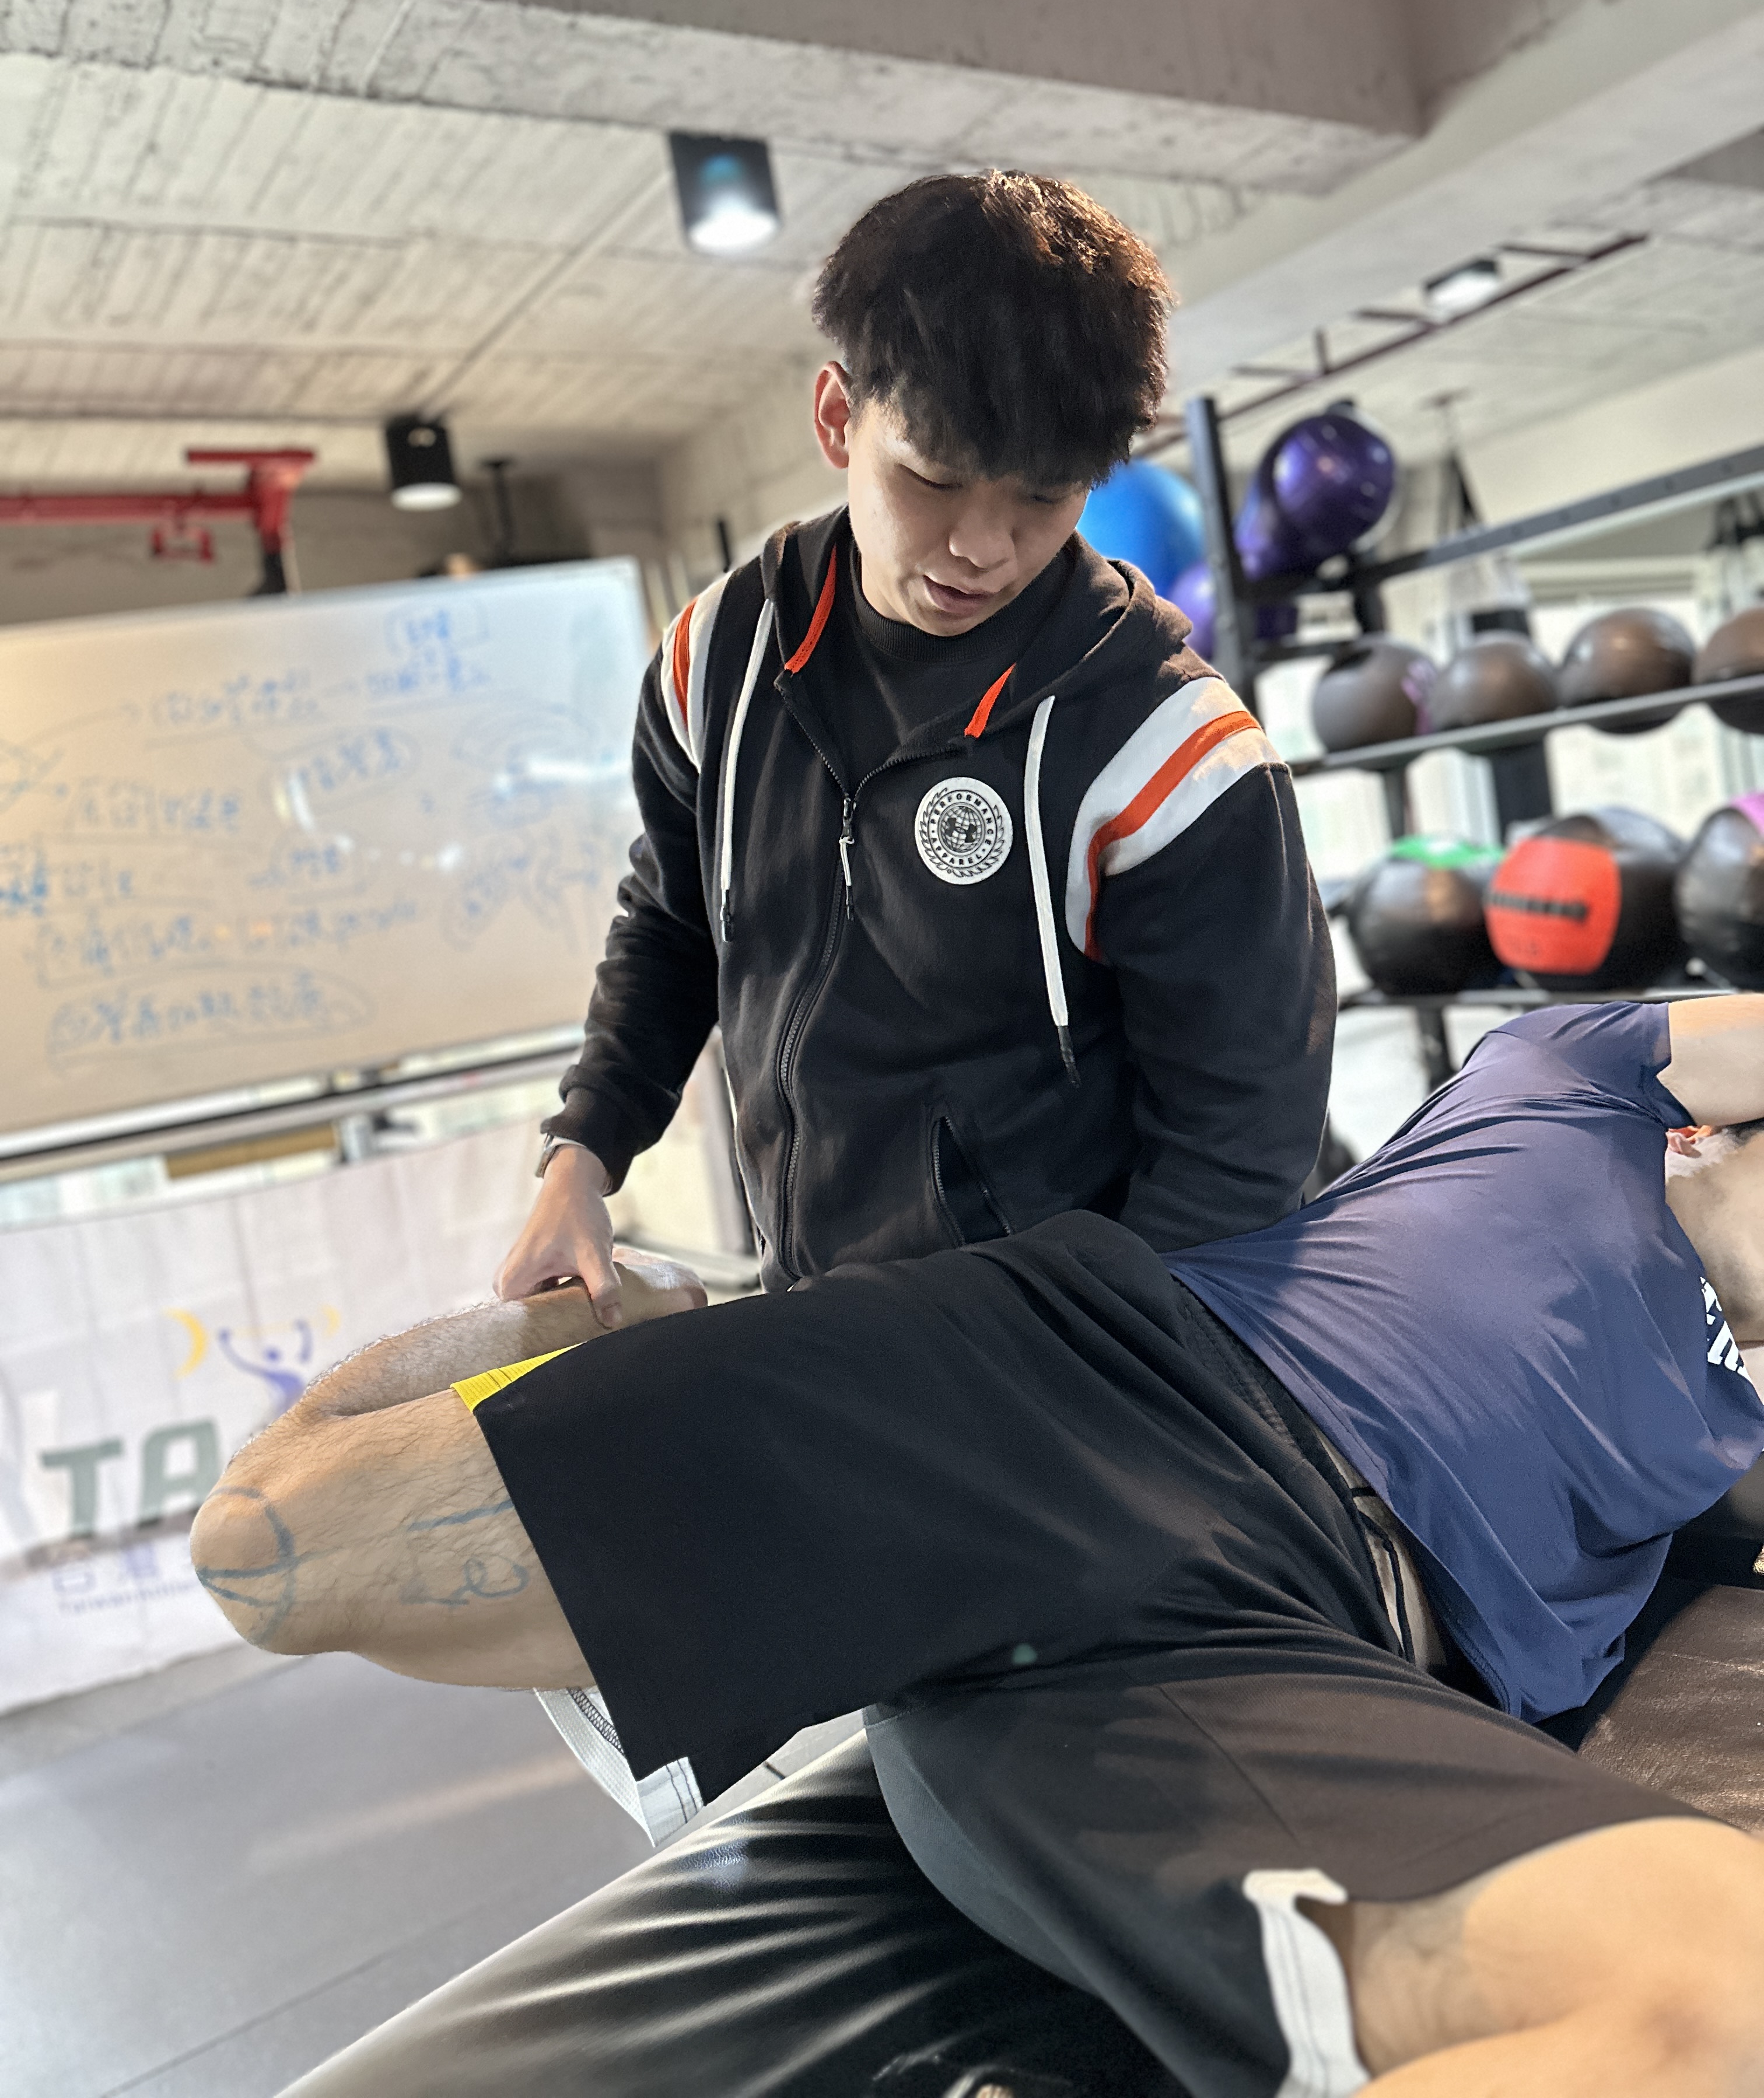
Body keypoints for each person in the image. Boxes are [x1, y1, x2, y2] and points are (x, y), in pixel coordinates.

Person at [197, 990, 1764, 2095]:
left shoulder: (1734, 1427)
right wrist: (583, 1309)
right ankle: (624, 1332)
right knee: (276, 1546)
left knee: (1723, 2003)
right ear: (1715, 1132)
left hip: (1285, 1649)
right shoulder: (1574, 1082)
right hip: (1071, 1375)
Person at [495, 171, 1333, 1321]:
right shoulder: (717, 660)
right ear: (838, 417)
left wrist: (1093, 1364)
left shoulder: (1171, 757)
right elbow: (678, 923)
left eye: (1043, 498)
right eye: (930, 480)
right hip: (826, 1310)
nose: (982, 547)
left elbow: (1241, 1153)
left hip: (1059, 1341)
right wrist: (583, 1155)